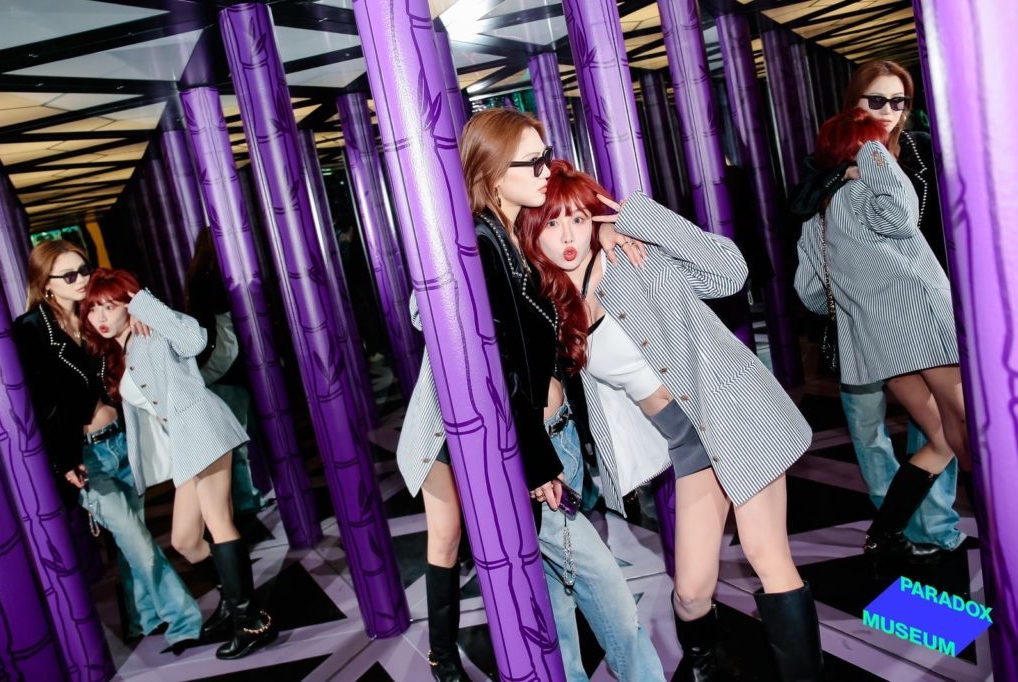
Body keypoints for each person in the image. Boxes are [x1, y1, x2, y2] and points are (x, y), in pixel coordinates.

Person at [517, 160, 823, 682]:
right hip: (689, 448)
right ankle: (705, 666)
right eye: (552, 223)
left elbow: (730, 273)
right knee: (690, 594)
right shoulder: (551, 308)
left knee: (767, 556)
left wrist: (637, 218)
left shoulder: (634, 259)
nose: (569, 236)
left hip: (736, 414)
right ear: (532, 231)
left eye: (577, 218)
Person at [397, 109, 664, 681]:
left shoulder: (507, 239)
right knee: (611, 598)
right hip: (527, 457)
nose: (545, 169)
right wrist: (537, 459)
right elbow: (496, 365)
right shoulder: (479, 245)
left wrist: (608, 224)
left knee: (559, 612)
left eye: (546, 155)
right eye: (533, 161)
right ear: (493, 173)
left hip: (547, 445)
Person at [790, 59, 965, 558]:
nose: (889, 111)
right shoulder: (829, 167)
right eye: (877, 100)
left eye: (899, 101)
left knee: (941, 433)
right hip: (871, 324)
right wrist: (854, 164)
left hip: (918, 303)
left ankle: (924, 526)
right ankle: (899, 528)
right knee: (873, 432)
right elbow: (805, 212)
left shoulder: (924, 152)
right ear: (854, 106)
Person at [11, 240, 202, 651]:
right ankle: (185, 620)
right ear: (46, 285)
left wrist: (140, 319)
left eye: (83, 269)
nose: (82, 279)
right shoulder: (30, 330)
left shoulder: (94, 313)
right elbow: (37, 405)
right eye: (69, 275)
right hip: (84, 457)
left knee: (133, 537)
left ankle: (142, 617)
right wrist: (62, 460)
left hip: (122, 443)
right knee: (138, 542)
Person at [81, 268, 277, 660]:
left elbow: (195, 338)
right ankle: (230, 602)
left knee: (219, 523)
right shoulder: (122, 351)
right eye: (94, 309)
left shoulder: (150, 334)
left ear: (129, 304)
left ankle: (251, 621)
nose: (101, 316)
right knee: (187, 541)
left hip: (203, 428)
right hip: (186, 447)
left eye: (111, 305)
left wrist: (145, 306)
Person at [184, 228, 267, 516]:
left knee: (237, 439)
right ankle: (245, 501)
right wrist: (208, 376)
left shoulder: (200, 278)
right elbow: (227, 334)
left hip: (221, 370)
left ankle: (246, 497)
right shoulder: (213, 281)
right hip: (226, 372)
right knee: (237, 440)